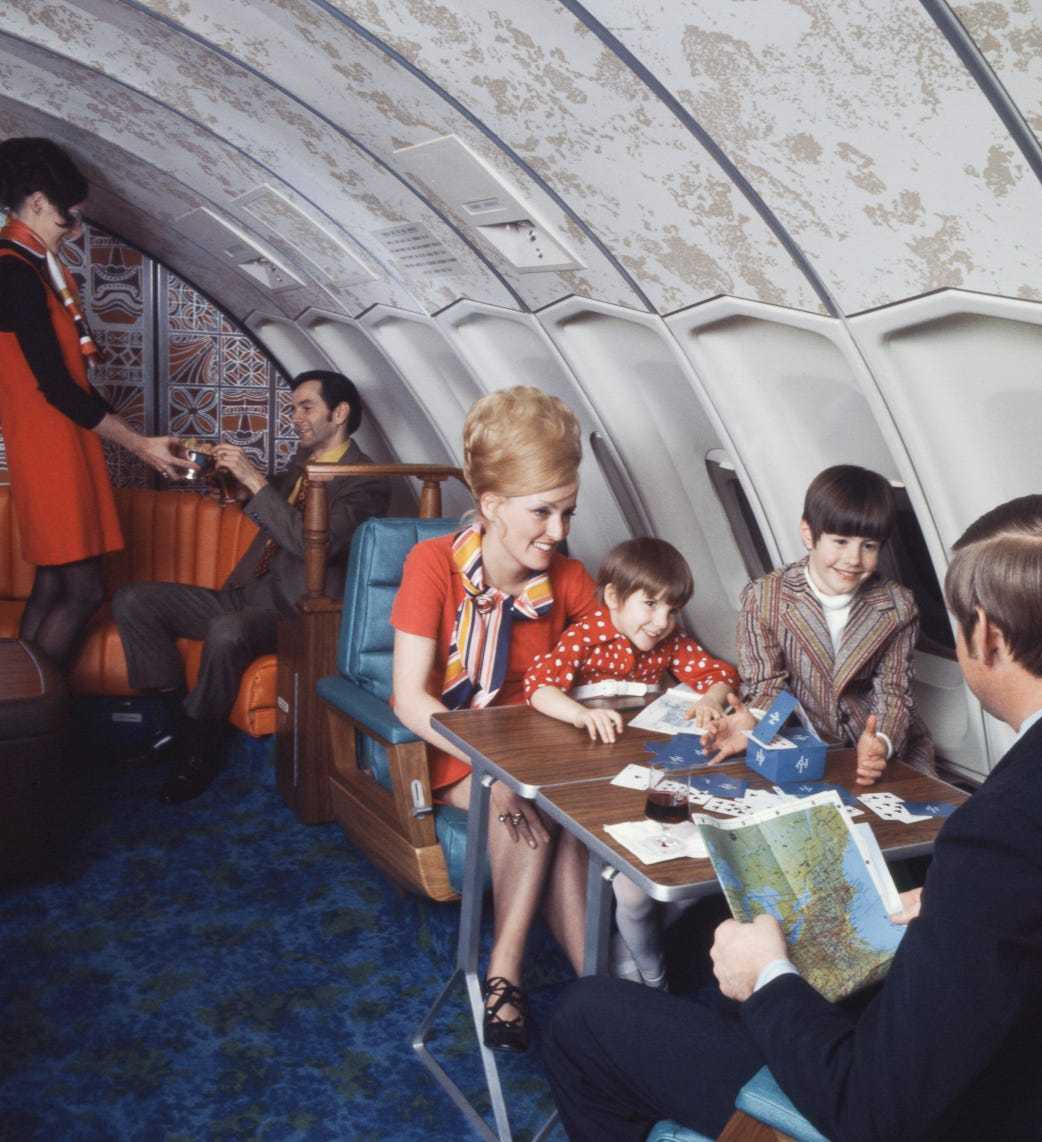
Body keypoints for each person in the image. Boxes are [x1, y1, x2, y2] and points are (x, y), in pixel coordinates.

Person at [544, 494, 1042, 1142]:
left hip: (987, 1112)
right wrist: (954, 905)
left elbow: (870, 1112)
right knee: (705, 955)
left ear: (989, 637)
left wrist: (770, 977)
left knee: (584, 1018)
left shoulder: (1007, 833)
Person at [390, 386, 598, 1054]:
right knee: (517, 803)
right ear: (490, 506)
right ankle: (503, 969)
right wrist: (488, 761)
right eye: (543, 512)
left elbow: (623, 659)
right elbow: (408, 698)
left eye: (567, 512)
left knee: (572, 824)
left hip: (541, 754)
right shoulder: (432, 566)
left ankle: (601, 991)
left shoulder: (568, 578)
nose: (559, 531)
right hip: (458, 747)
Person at [112, 370, 390, 804]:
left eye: (306, 407)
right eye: (293, 407)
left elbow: (311, 543)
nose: (295, 417)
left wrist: (255, 479)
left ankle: (197, 753)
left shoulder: (366, 480)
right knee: (134, 600)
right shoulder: (298, 470)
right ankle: (171, 726)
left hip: (295, 611)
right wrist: (232, 486)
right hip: (243, 593)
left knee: (228, 629)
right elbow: (269, 513)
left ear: (339, 413)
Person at [0, 136, 192, 668]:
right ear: (37, 201)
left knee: (55, 585)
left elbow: (67, 384)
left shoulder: (29, 265)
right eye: (70, 218)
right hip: (50, 449)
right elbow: (57, 388)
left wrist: (137, 440)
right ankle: (32, 729)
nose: (77, 230)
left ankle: (18, 726)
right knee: (81, 592)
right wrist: (141, 446)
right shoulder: (14, 272)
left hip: (55, 444)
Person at [524, 536, 738, 989]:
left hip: (637, 768)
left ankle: (638, 948)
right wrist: (581, 713)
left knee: (691, 866)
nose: (662, 622)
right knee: (635, 881)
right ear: (614, 599)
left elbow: (720, 675)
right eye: (650, 605)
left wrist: (710, 702)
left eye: (673, 610)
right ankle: (651, 971)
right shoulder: (586, 635)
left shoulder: (670, 640)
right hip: (586, 772)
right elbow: (539, 686)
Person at [704, 464, 934, 781]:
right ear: (809, 534)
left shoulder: (898, 606)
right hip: (799, 739)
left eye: (869, 546)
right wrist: (753, 721)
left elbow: (893, 692)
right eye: (840, 542)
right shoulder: (764, 598)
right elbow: (767, 685)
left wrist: (882, 742)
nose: (854, 559)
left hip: (877, 744)